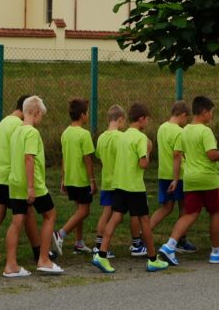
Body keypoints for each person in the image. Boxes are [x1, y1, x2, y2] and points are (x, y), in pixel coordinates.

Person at [91, 103, 169, 274]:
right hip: (134, 186)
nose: (147, 122)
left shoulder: (122, 136)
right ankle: (152, 258)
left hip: (118, 184)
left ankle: (101, 254)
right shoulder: (140, 138)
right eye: (147, 119)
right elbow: (143, 163)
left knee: (115, 217)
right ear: (141, 119)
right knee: (145, 221)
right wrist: (148, 152)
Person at [158, 95, 219, 266]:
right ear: (204, 112)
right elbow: (212, 155)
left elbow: (178, 155)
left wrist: (176, 179)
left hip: (190, 179)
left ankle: (170, 245)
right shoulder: (205, 131)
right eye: (211, 112)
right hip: (208, 179)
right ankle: (216, 252)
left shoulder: (184, 131)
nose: (211, 116)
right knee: (215, 212)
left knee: (190, 213)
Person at [0, 96, 43, 268]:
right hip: (10, 174)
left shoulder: (3, 122)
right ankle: (39, 253)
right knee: (27, 212)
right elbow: (22, 151)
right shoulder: (19, 126)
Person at [4, 96, 64, 277]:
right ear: (36, 112)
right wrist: (31, 187)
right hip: (32, 184)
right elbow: (28, 158)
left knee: (16, 222)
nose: (41, 120)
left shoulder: (16, 131)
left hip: (14, 182)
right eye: (42, 116)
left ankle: (11, 265)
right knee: (50, 214)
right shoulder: (31, 133)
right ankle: (44, 259)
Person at [55, 98, 96, 254]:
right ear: (82, 115)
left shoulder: (65, 133)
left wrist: (63, 178)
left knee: (79, 210)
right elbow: (88, 159)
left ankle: (79, 243)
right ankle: (61, 234)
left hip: (70, 178)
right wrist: (92, 180)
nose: (88, 116)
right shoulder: (84, 134)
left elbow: (64, 157)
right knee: (84, 211)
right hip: (81, 179)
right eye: (87, 113)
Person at [148, 102, 191, 248]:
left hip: (163, 173)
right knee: (184, 207)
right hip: (178, 175)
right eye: (187, 119)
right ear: (183, 115)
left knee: (166, 207)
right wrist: (176, 178)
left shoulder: (162, 128)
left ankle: (143, 234)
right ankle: (181, 239)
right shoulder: (179, 132)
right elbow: (177, 155)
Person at [93, 105, 126, 254]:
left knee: (106, 212)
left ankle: (98, 244)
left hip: (106, 181)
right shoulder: (120, 137)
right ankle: (137, 242)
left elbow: (99, 156)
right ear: (120, 119)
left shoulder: (101, 137)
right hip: (118, 181)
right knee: (117, 215)